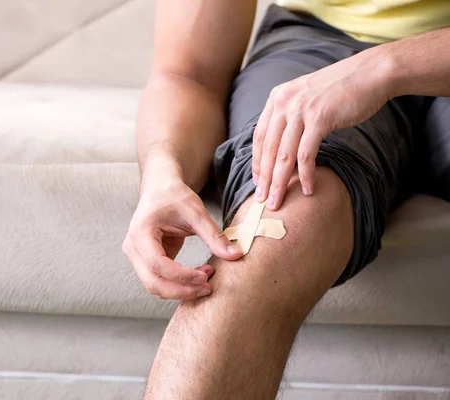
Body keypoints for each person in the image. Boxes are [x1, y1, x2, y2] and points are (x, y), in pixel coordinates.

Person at [122, 0, 450, 398]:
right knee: (276, 229)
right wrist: (163, 176)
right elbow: (190, 73)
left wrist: (385, 67)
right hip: (319, 49)